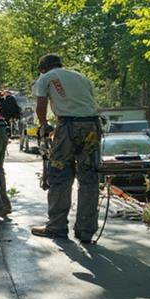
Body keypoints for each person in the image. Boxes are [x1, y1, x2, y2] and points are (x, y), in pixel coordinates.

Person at [30, 53, 102, 244]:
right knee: (89, 177)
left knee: (60, 175)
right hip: (92, 126)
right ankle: (86, 230)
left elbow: (41, 105)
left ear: (43, 69)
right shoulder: (81, 77)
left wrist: (44, 125)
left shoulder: (45, 78)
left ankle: (57, 226)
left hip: (68, 126)